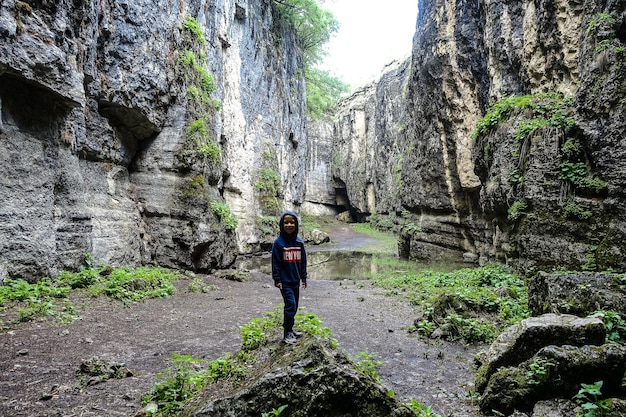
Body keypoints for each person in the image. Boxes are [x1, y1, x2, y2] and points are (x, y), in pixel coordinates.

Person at [272, 211, 308, 344]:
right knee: (290, 305)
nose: (289, 225)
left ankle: (291, 329)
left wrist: (303, 278)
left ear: (296, 224)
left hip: (295, 281)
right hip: (285, 282)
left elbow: (303, 261)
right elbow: (275, 262)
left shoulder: (299, 242)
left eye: (292, 222)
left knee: (295, 306)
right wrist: (277, 279)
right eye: (286, 222)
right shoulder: (278, 243)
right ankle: (286, 332)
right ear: (281, 224)